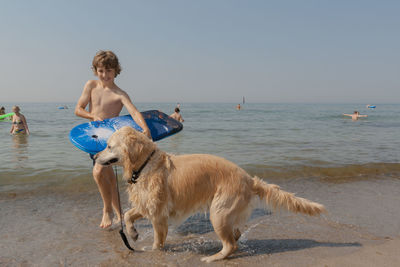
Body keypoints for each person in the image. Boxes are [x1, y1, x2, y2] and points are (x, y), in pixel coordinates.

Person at [74, 50, 151, 229]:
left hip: (110, 141)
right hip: (94, 138)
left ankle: (107, 210)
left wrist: (145, 128)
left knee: (99, 173)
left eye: (109, 71)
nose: (105, 75)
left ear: (116, 71)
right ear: (95, 71)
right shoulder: (91, 85)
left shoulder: (120, 94)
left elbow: (134, 112)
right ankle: (120, 216)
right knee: (108, 178)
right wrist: (91, 115)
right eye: (101, 71)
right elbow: (78, 109)